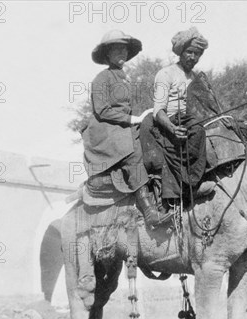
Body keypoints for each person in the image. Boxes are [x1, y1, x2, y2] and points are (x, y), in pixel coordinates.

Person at [82, 30, 172, 227]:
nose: (122, 54)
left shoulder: (124, 78)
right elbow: (102, 110)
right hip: (105, 130)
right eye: (117, 50)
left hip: (121, 125)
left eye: (124, 50)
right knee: (132, 153)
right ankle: (149, 211)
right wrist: (132, 119)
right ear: (107, 54)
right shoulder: (101, 78)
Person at [146, 27, 209, 202]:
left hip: (190, 120)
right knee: (197, 130)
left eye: (197, 54)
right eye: (189, 52)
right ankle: (188, 184)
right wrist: (173, 129)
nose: (193, 57)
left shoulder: (196, 78)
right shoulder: (165, 74)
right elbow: (158, 111)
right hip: (171, 121)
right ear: (181, 52)